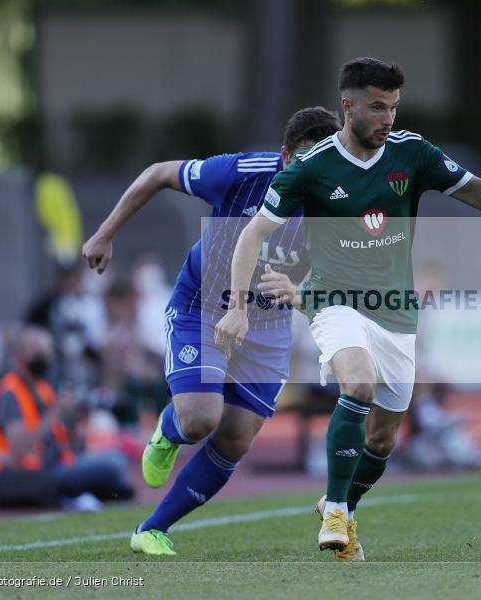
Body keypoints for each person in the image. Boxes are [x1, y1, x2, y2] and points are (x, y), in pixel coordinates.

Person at [215, 57, 481, 560]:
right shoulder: (313, 167)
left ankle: (344, 506)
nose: (388, 118)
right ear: (348, 106)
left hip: (396, 313)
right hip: (334, 301)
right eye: (377, 107)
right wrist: (237, 307)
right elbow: (253, 233)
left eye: (394, 107)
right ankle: (336, 511)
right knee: (358, 384)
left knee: (381, 442)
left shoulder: (413, 153)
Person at [82, 106, 342, 555]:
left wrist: (302, 293)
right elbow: (159, 173)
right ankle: (169, 430)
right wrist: (105, 234)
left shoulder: (340, 200)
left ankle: (151, 529)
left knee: (236, 436)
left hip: (270, 325)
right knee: (202, 418)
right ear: (284, 157)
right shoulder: (241, 172)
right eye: (306, 160)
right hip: (202, 307)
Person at [0, 326, 133, 507]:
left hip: (52, 467)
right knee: (113, 464)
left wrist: (79, 418)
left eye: (46, 349)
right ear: (17, 355)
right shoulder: (10, 392)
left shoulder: (43, 390)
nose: (42, 354)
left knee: (115, 459)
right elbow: (18, 447)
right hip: (20, 473)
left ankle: (80, 493)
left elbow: (65, 446)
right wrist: (56, 411)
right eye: (35, 348)